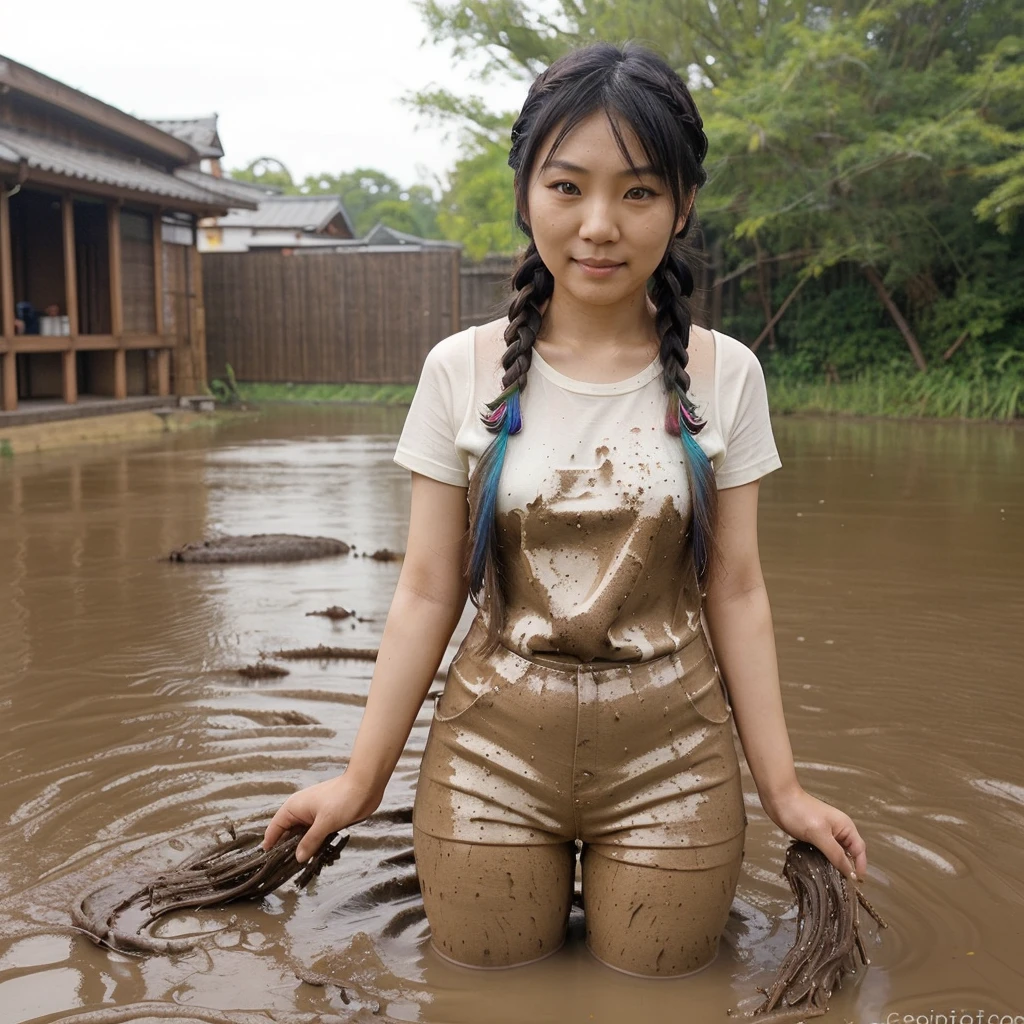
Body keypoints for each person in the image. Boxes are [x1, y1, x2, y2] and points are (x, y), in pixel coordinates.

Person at [262, 39, 868, 978]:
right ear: (525, 194)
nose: (599, 225)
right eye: (566, 187)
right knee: (480, 987)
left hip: (677, 755)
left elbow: (737, 591)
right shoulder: (459, 369)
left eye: (637, 192)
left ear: (683, 204)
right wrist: (359, 779)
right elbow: (426, 590)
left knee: (661, 987)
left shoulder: (725, 373)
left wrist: (782, 790)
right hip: (488, 755)